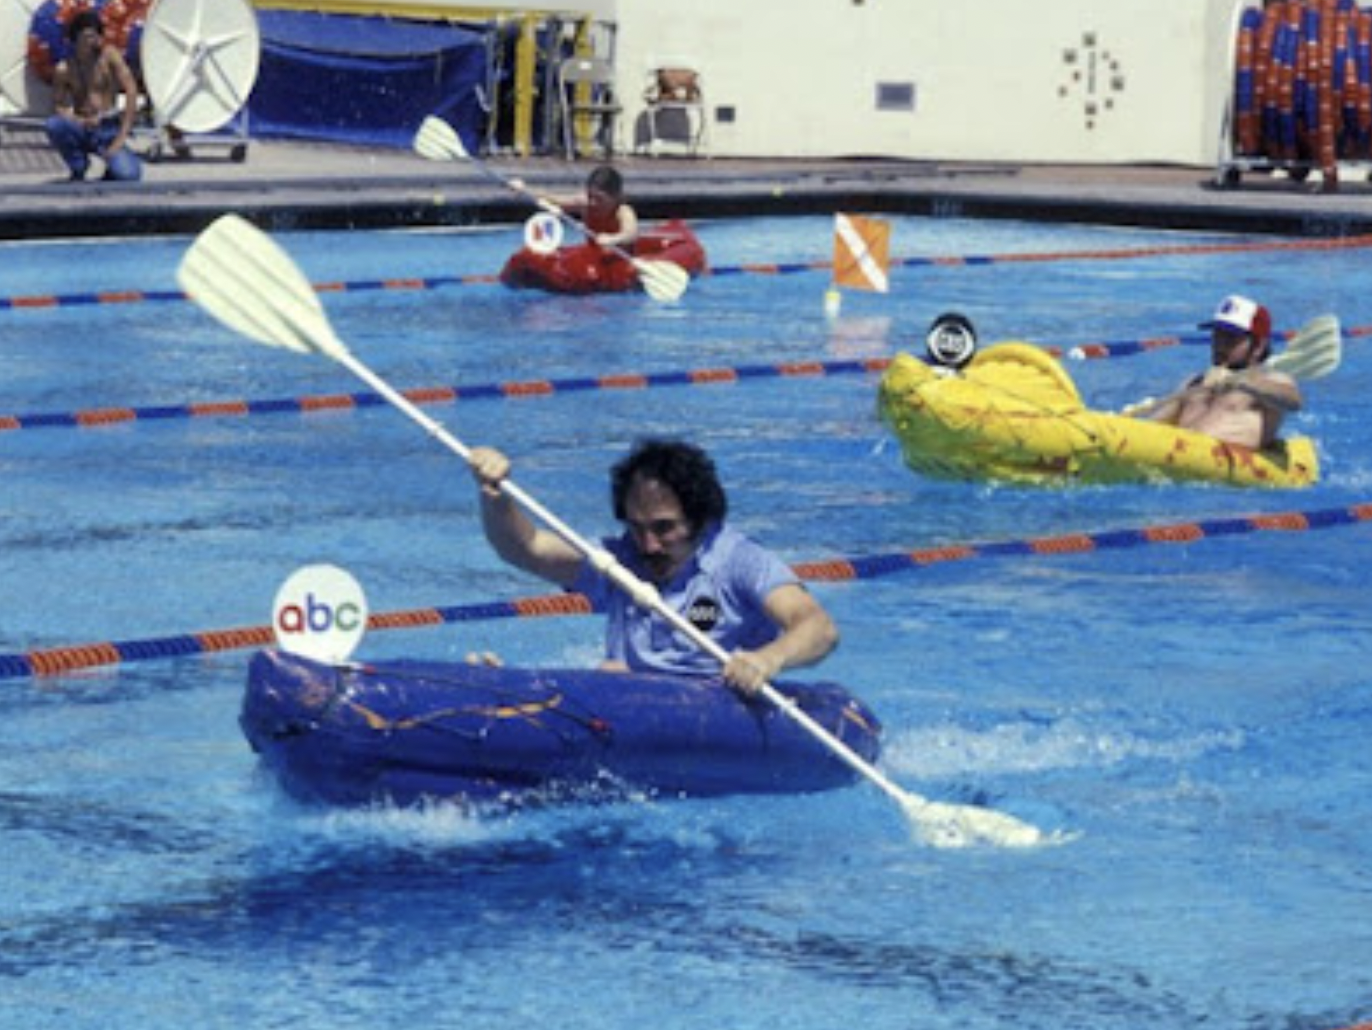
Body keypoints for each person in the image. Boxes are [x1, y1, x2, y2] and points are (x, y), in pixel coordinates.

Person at [466, 438, 838, 693]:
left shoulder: (739, 562)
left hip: (710, 711)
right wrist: (496, 495)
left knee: (615, 674)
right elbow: (525, 548)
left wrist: (767, 660)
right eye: (636, 527)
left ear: (699, 517)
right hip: (625, 704)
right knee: (612, 673)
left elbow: (818, 628)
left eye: (664, 528)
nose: (648, 545)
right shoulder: (620, 559)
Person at [1140, 294, 1301, 450]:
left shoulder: (1270, 380)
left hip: (1227, 473)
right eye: (1217, 336)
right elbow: (1152, 425)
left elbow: (1293, 401)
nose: (1219, 345)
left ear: (1258, 347)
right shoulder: (1195, 382)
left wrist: (1243, 382)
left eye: (1230, 339)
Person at [44, 10, 143, 183]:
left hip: (107, 127)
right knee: (54, 125)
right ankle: (79, 166)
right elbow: (58, 105)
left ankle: (111, 172)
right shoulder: (65, 68)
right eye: (87, 37)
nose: (94, 41)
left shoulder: (108, 57)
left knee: (129, 175)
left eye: (96, 35)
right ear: (76, 39)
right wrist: (74, 118)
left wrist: (122, 136)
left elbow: (131, 90)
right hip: (82, 125)